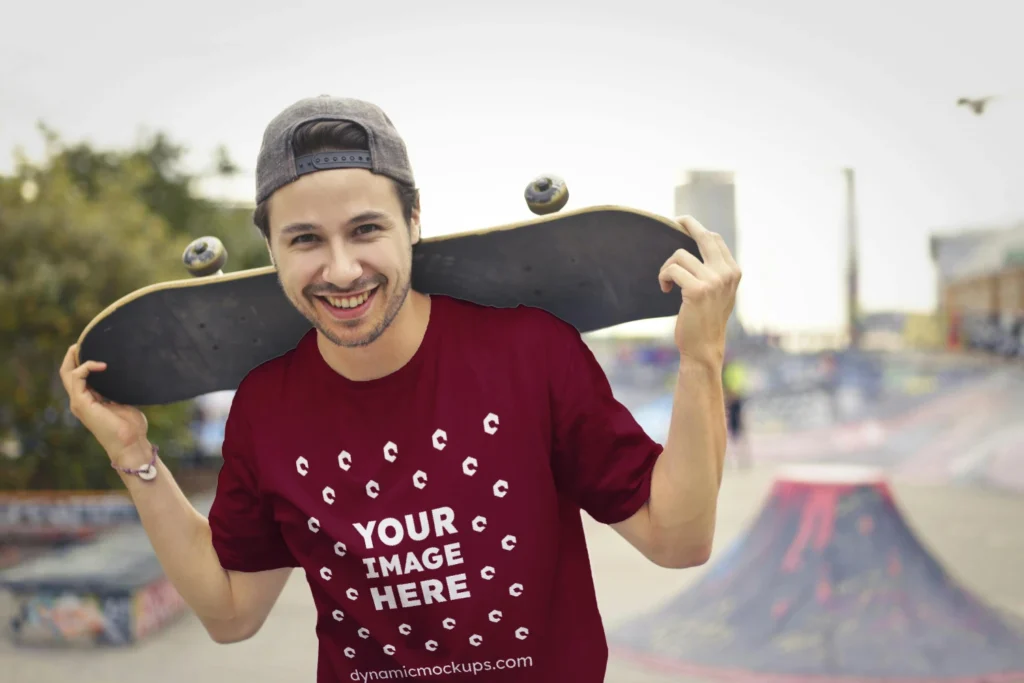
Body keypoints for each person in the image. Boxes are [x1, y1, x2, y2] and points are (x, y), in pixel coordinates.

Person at [59, 95, 741, 682]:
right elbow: (232, 611)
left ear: (414, 221)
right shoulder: (267, 409)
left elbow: (677, 539)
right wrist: (135, 457)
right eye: (305, 240)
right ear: (271, 249)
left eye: (366, 229)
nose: (342, 268)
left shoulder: (530, 353)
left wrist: (700, 358)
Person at [722, 354, 751, 469]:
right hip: (730, 401)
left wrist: (731, 394)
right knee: (733, 431)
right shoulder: (728, 369)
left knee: (737, 430)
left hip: (733, 402)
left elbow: (736, 386)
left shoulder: (731, 370)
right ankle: (738, 458)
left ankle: (741, 458)